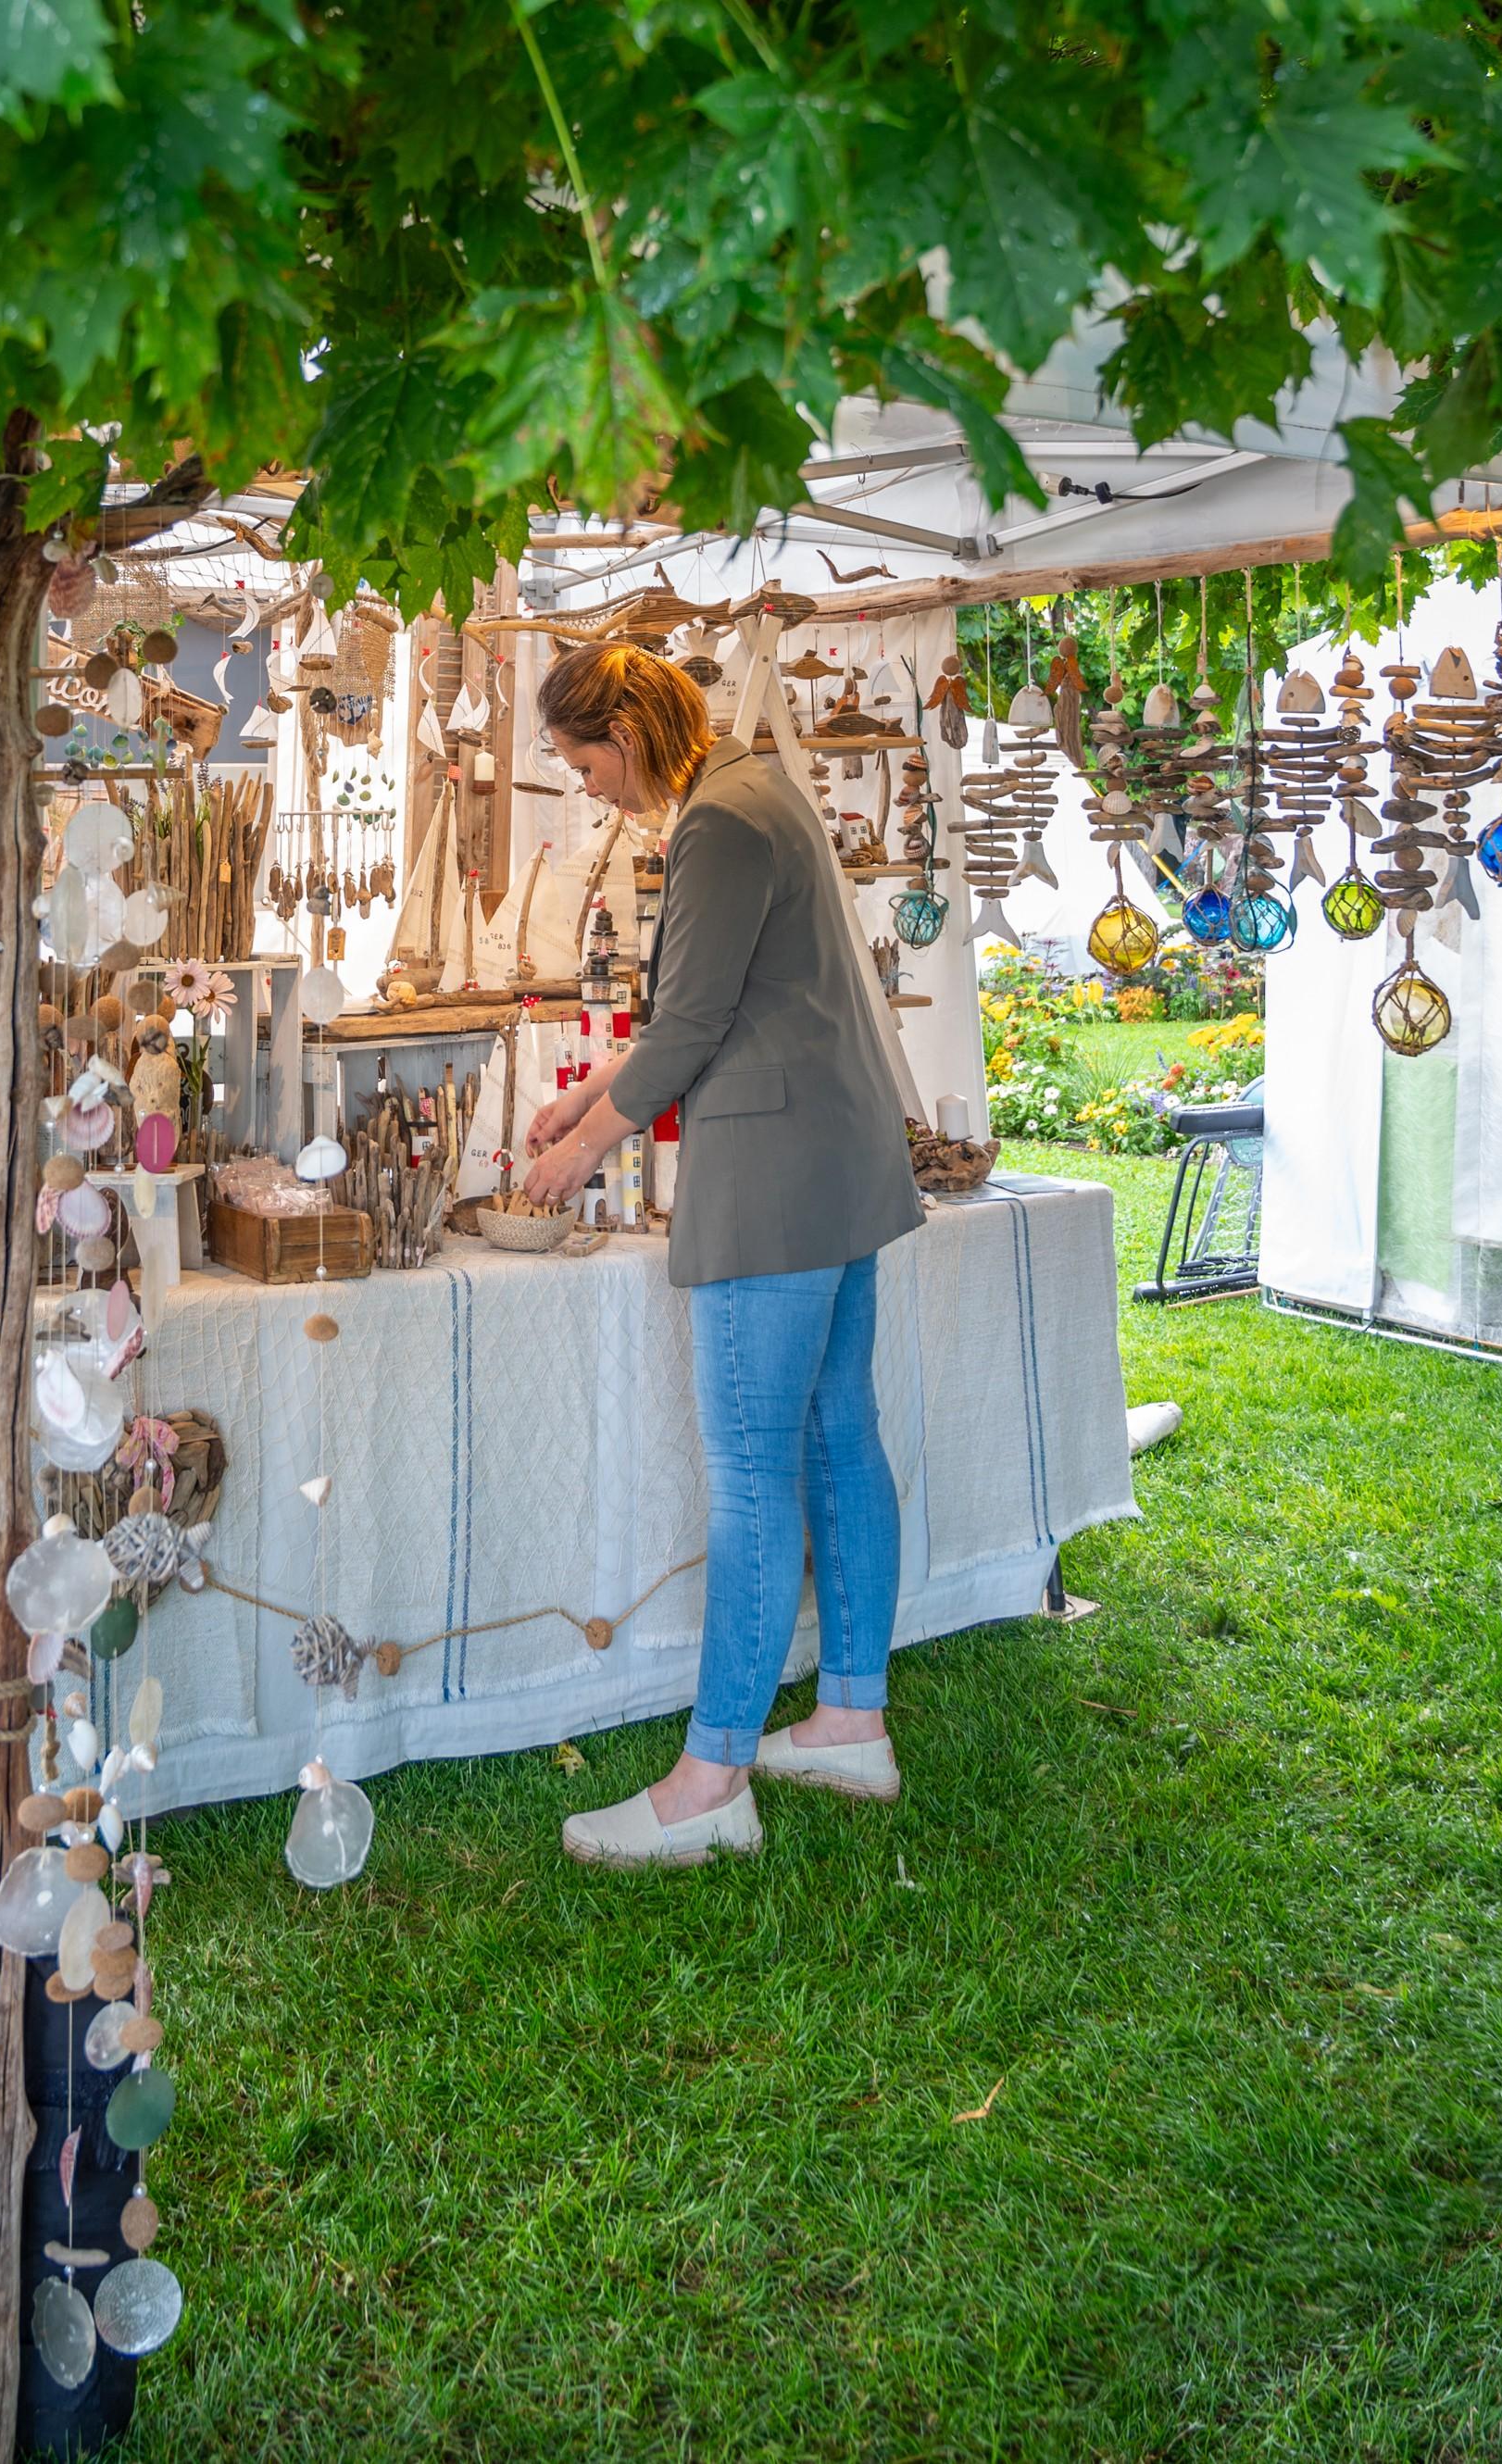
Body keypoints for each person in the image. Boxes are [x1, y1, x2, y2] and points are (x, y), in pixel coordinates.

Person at [521, 644, 924, 1870]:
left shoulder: (716, 822)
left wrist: (581, 1147)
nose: (588, 786)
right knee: (839, 1436)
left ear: (625, 735)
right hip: (835, 1164)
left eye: (584, 762)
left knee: (754, 1474)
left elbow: (693, 1024)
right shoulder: (758, 792)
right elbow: (728, 1002)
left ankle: (712, 1780)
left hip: (774, 1182)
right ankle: (850, 1720)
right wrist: (594, 1086)